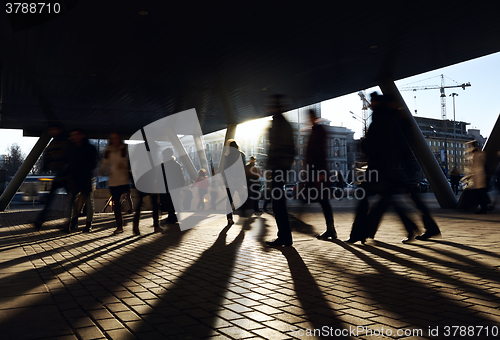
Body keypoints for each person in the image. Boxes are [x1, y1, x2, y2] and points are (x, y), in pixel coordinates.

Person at [265, 95, 296, 247]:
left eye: (271, 105)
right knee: (278, 202)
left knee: (278, 203)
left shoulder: (280, 124)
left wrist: (278, 166)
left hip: (279, 167)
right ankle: (284, 236)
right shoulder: (279, 122)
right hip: (279, 167)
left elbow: (282, 148)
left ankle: (284, 236)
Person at [305, 109, 337, 240]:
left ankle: (331, 230)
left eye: (311, 117)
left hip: (318, 172)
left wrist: (321, 172)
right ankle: (331, 229)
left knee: (323, 201)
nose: (309, 119)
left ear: (315, 117)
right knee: (322, 201)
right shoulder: (315, 131)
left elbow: (320, 154)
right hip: (314, 172)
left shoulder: (318, 132)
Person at [34, 123, 71, 230]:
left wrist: (46, 166)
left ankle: (40, 220)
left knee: (52, 199)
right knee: (69, 199)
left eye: (53, 130)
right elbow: (48, 156)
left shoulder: (58, 143)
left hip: (64, 175)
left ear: (58, 130)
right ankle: (69, 222)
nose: (51, 132)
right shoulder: (61, 142)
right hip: (63, 175)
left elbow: (48, 156)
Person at [67, 129, 97, 233]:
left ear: (81, 136)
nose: (74, 137)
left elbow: (93, 164)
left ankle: (88, 224)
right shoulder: (72, 147)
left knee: (88, 201)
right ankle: (75, 221)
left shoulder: (89, 148)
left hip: (86, 178)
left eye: (76, 135)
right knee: (73, 201)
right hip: (76, 178)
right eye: (73, 135)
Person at [101, 132, 131, 234]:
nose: (114, 140)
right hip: (113, 181)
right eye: (112, 138)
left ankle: (129, 217)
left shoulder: (124, 149)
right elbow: (104, 163)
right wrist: (102, 170)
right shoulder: (108, 151)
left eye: (116, 138)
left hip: (123, 180)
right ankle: (119, 225)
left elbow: (127, 162)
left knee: (126, 198)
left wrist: (123, 165)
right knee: (116, 204)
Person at [223, 139, 246, 226]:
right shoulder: (242, 155)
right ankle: (243, 216)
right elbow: (243, 168)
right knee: (242, 197)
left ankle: (229, 218)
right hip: (239, 179)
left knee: (229, 200)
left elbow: (225, 169)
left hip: (230, 180)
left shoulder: (227, 156)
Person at [469, 141, 490, 214]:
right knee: (480, 192)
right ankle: (485, 206)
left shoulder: (479, 154)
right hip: (477, 174)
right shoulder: (478, 154)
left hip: (479, 174)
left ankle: (484, 207)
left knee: (480, 192)